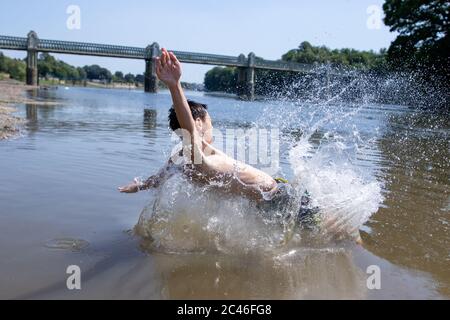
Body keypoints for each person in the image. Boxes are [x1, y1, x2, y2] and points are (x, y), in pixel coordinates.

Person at [118, 49, 321, 228]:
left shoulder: (179, 160)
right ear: (198, 123)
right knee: (337, 231)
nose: (212, 128)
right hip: (280, 201)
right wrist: (174, 85)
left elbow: (157, 179)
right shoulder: (195, 153)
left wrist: (139, 185)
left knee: (334, 230)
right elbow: (188, 127)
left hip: (276, 199)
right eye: (210, 123)